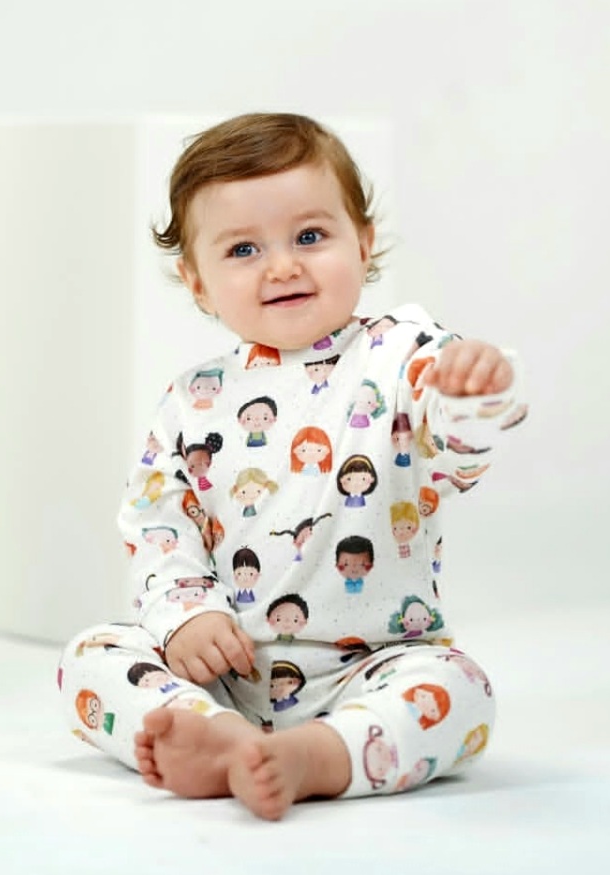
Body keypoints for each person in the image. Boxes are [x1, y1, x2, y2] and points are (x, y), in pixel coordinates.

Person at [58, 111, 526, 821]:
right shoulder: (191, 400)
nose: (282, 266)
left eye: (310, 237)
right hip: (227, 670)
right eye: (243, 249)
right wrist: (187, 617)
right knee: (91, 655)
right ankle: (219, 737)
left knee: (459, 689)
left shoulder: (402, 355)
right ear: (197, 282)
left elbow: (454, 451)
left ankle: (318, 756)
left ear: (363, 243)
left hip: (371, 664)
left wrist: (470, 395)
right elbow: (158, 526)